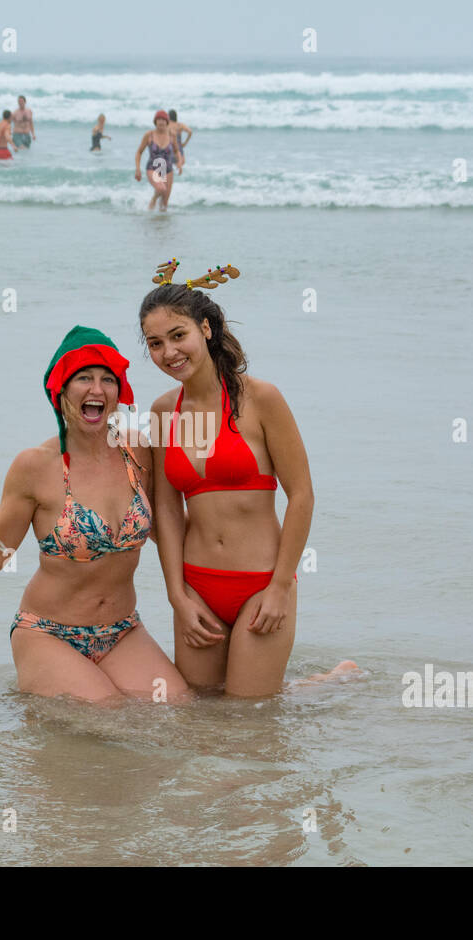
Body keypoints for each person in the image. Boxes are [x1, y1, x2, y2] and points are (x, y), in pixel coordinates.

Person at [0, 326, 189, 702]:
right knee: (111, 717)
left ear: (119, 391)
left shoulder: (138, 451)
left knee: (179, 708)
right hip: (47, 633)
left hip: (123, 631)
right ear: (62, 390)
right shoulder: (35, 466)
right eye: (84, 378)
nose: (97, 390)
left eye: (107, 379)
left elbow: (168, 529)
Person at [141, 260, 315, 697]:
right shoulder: (164, 411)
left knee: (249, 719)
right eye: (155, 343)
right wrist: (176, 596)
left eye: (178, 335)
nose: (169, 352)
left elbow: (302, 495)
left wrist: (280, 587)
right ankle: (317, 686)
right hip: (197, 587)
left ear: (206, 329)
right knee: (200, 715)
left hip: (261, 583)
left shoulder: (260, 399)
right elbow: (165, 507)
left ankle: (330, 686)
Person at [134, 110, 183, 210]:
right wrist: (138, 169)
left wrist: (180, 163)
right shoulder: (149, 135)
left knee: (164, 204)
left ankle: (160, 223)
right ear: (155, 121)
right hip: (153, 168)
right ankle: (153, 199)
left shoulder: (172, 135)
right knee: (161, 188)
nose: (161, 122)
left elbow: (177, 151)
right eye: (158, 119)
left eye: (163, 120)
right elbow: (139, 152)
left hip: (168, 169)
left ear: (167, 121)